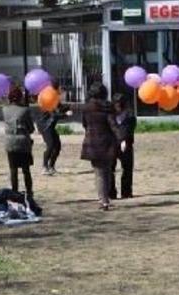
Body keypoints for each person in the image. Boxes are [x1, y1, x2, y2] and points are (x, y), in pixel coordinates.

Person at [80, 82, 125, 211]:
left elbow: (84, 124)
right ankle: (106, 197)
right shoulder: (108, 107)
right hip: (107, 142)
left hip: (92, 142)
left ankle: (103, 200)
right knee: (108, 171)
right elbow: (113, 125)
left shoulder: (87, 108)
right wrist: (121, 138)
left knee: (99, 173)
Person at [3, 86, 35, 202]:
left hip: (10, 142)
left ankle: (14, 192)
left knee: (13, 170)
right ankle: (29, 192)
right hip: (23, 143)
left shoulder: (5, 110)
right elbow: (31, 128)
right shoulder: (25, 110)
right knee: (26, 170)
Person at [37, 82, 72, 175]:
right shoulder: (49, 97)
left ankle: (51, 166)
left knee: (57, 146)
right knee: (51, 145)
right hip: (45, 126)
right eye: (61, 89)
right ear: (57, 88)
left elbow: (61, 107)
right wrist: (65, 115)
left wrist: (69, 107)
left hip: (50, 125)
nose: (63, 92)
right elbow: (54, 115)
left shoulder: (55, 98)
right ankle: (44, 167)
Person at [110, 93, 137, 200]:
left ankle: (126, 192)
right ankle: (111, 192)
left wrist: (124, 139)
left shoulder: (129, 115)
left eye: (119, 104)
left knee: (127, 169)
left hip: (127, 144)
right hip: (112, 144)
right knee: (110, 169)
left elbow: (130, 129)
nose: (118, 106)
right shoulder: (110, 115)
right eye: (116, 103)